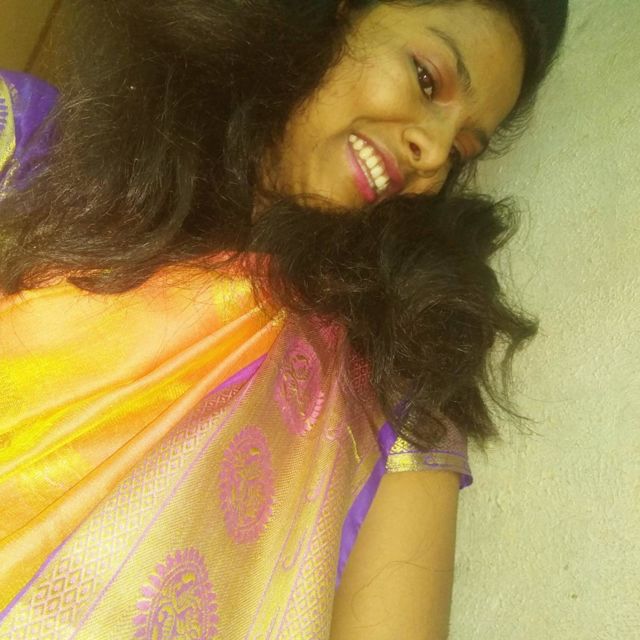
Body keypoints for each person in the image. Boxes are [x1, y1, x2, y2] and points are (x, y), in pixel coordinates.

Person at [0, 1, 568, 638]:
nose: (432, 154)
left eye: (460, 148)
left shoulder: (387, 393)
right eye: (426, 79)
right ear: (336, 14)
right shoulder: (27, 145)